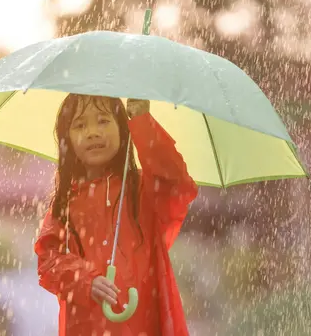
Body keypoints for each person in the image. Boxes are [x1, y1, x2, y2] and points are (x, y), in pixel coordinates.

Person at [34, 94, 198, 336]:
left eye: (103, 121)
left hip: (146, 323)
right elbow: (49, 260)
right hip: (87, 327)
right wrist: (84, 281)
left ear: (123, 129)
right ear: (66, 138)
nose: (92, 132)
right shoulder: (65, 204)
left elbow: (176, 183)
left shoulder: (142, 191)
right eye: (80, 125)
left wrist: (142, 122)